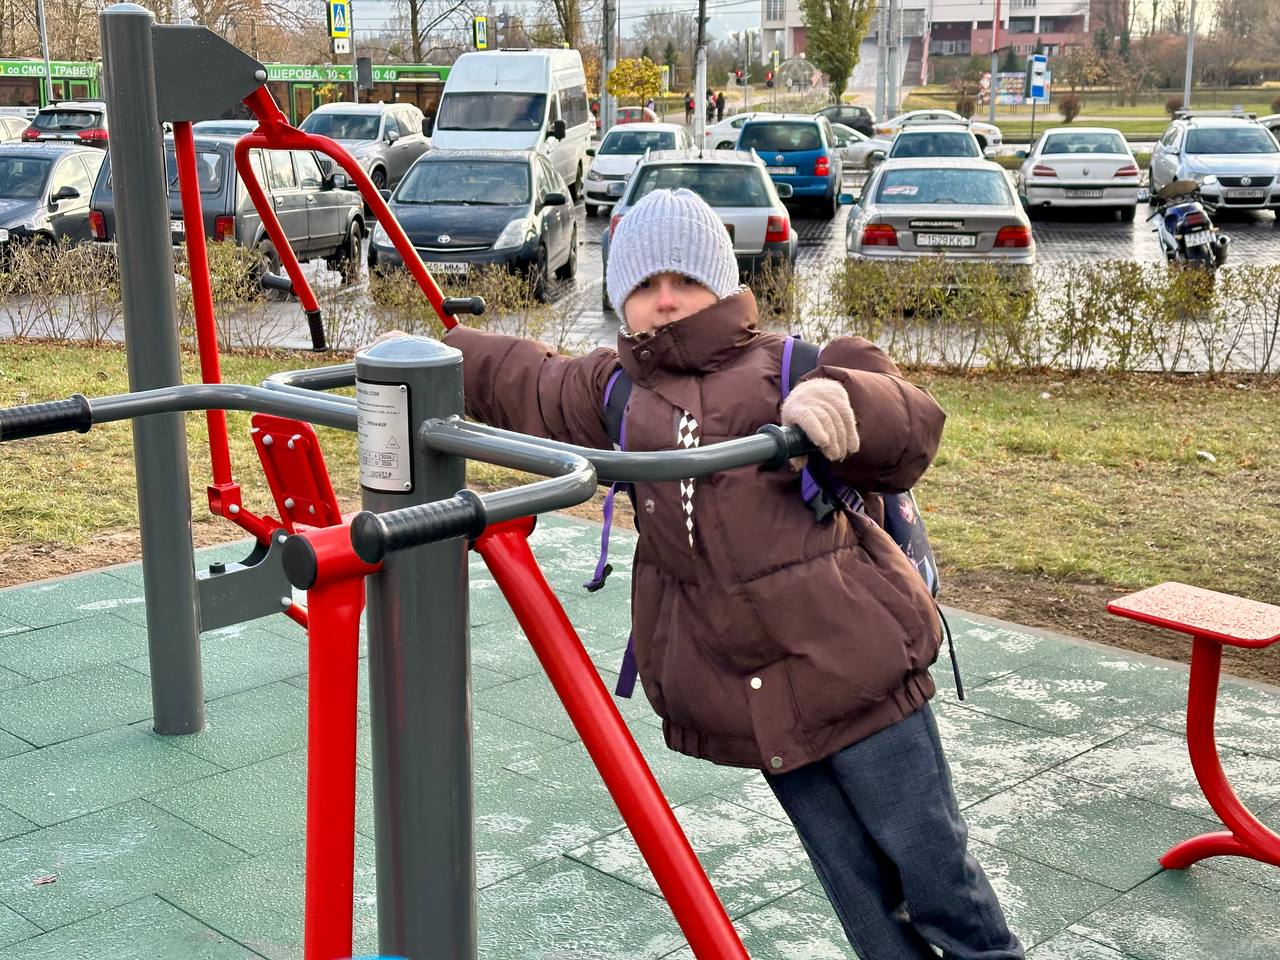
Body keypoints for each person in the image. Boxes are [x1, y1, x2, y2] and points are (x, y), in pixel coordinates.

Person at [411, 188, 1026, 960]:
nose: (663, 300)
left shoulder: (795, 363)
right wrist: (424, 354)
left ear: (721, 280)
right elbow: (526, 378)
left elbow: (909, 426)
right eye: (641, 285)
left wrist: (842, 400)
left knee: (940, 878)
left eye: (683, 279)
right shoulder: (617, 392)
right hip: (760, 700)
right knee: (863, 901)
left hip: (860, 673)